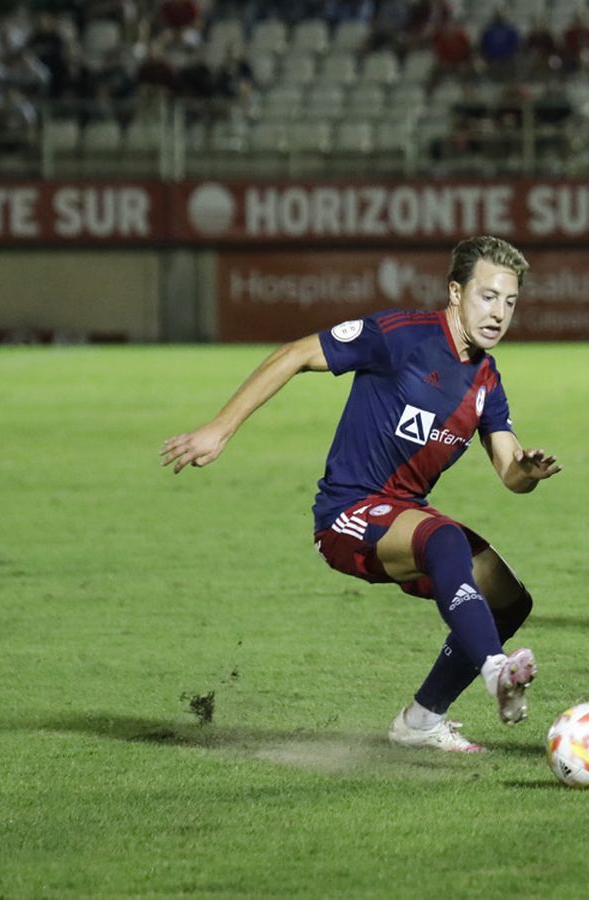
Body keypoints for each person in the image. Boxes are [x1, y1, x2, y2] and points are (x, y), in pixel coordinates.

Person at [160, 236, 559, 752]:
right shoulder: (400, 336)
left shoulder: (486, 379)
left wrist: (527, 470)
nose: (499, 313)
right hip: (346, 515)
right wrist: (221, 427)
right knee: (445, 540)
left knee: (508, 600)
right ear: (455, 292)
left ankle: (421, 720)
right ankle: (494, 671)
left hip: (402, 517)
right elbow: (296, 353)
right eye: (488, 296)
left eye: (510, 301)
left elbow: (509, 471)